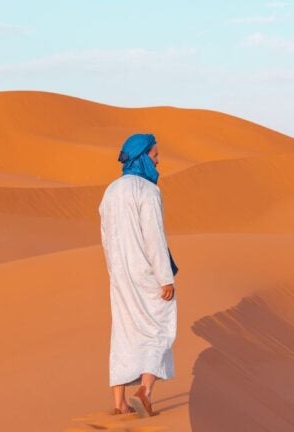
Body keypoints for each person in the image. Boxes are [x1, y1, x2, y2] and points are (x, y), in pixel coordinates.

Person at [98, 133, 179, 417]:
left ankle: (119, 402)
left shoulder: (110, 191)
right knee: (159, 327)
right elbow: (154, 237)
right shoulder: (147, 191)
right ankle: (144, 390)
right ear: (142, 157)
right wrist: (165, 276)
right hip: (145, 270)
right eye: (155, 156)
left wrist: (114, 271)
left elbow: (106, 236)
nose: (158, 162)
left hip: (119, 273)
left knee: (123, 329)